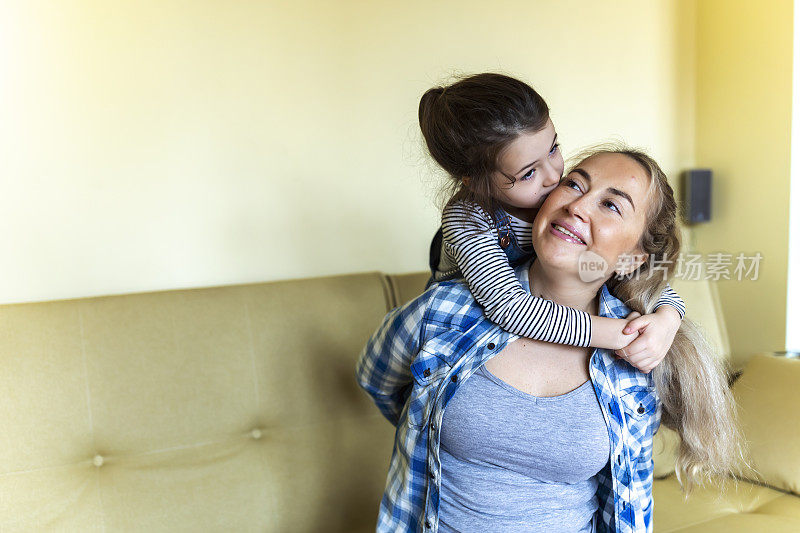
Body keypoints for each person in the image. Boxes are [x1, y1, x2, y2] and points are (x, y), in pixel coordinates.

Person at [356, 147, 740, 533]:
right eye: (574, 184)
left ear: (634, 257)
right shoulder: (446, 310)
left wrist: (669, 315)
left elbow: (632, 502)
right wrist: (427, 423)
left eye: (611, 205)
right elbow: (377, 379)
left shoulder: (641, 351)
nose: (577, 206)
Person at [419, 73, 685, 372]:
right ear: (477, 184)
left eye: (553, 149)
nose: (553, 177)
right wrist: (619, 334)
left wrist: (668, 318)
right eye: (528, 173)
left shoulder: (554, 197)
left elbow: (635, 269)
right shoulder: (468, 219)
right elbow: (510, 307)